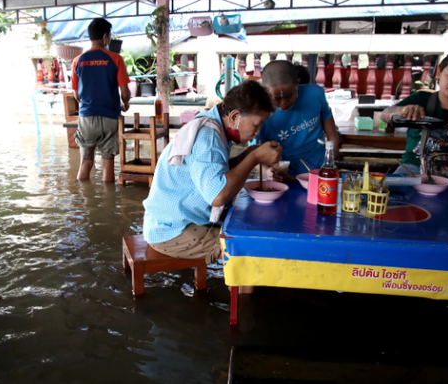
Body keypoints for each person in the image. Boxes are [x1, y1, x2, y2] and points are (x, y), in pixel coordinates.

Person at [143, 81, 282, 293]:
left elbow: (221, 171)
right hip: (171, 230)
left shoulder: (214, 125)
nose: (258, 131)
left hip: (171, 220)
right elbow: (217, 196)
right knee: (245, 251)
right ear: (235, 116)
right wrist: (255, 156)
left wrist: (253, 155)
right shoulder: (207, 138)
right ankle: (243, 314)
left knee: (246, 229)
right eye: (256, 124)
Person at [381, 48, 448, 176]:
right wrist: (403, 110)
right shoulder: (420, 99)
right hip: (413, 166)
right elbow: (384, 115)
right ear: (438, 73)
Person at [256, 60, 340, 177]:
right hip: (283, 174)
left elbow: (332, 135)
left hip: (319, 169)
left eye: (289, 96)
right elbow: (254, 155)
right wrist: (266, 172)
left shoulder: (316, 95)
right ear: (266, 92)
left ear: (297, 83)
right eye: (276, 99)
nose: (284, 102)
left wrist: (330, 160)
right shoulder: (260, 114)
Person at [71, 18, 131, 182]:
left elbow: (77, 96)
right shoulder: (115, 59)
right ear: (105, 36)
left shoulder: (77, 61)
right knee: (107, 164)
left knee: (86, 163)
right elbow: (125, 93)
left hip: (87, 118)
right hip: (110, 118)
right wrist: (125, 103)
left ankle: (84, 201)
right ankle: (108, 204)